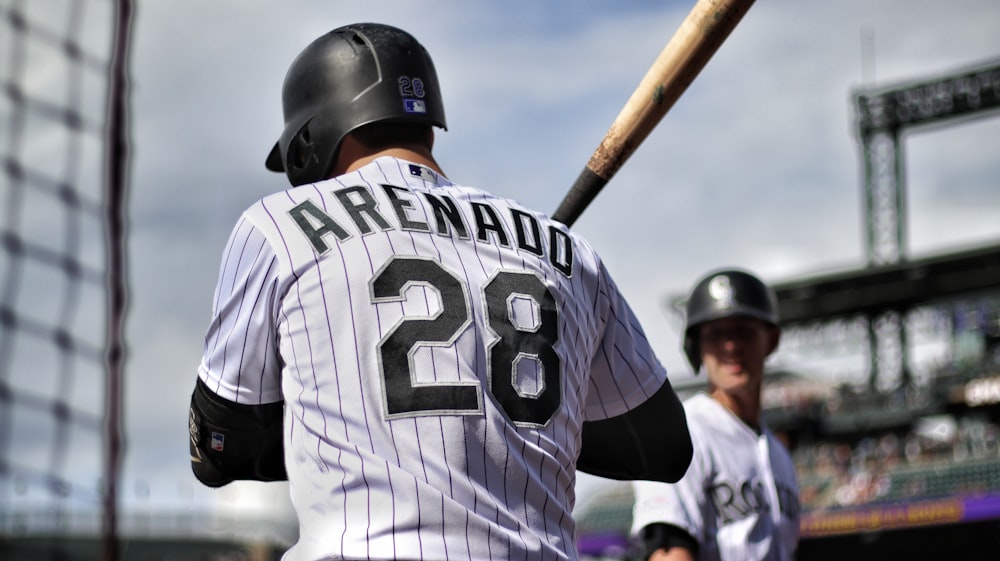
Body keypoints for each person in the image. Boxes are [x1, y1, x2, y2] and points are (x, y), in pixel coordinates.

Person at [187, 23, 692, 561]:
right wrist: (504, 421)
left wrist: (371, 423)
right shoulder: (564, 250)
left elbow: (219, 449)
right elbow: (661, 446)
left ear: (307, 142)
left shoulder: (278, 225)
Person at [630, 268, 800, 561]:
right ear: (698, 348)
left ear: (771, 340)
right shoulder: (682, 432)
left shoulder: (779, 455)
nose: (731, 346)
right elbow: (668, 552)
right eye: (716, 334)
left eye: (743, 332)